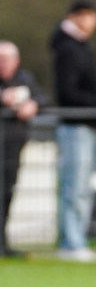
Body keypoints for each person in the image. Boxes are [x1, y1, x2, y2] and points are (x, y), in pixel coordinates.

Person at [50, 0, 96, 262]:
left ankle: (76, 239)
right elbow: (68, 92)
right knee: (74, 187)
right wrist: (95, 107)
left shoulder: (78, 46)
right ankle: (71, 243)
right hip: (75, 125)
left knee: (82, 187)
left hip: (85, 125)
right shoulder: (68, 49)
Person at [0, 41, 49, 257]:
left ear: (16, 61)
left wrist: (33, 104)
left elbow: (43, 97)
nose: (3, 64)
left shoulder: (24, 79)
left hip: (14, 146)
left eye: (7, 59)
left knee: (7, 192)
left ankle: (3, 243)